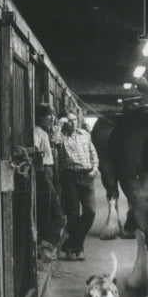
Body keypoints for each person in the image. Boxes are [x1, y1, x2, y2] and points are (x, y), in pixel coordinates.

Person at [57, 109, 99, 261]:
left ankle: (70, 243)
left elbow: (94, 154)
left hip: (87, 176)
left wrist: (94, 171)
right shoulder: (61, 136)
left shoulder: (85, 135)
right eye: (69, 120)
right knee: (73, 214)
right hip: (70, 177)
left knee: (90, 212)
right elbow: (54, 140)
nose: (72, 122)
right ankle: (77, 250)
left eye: (74, 120)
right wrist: (59, 125)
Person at [34, 105, 65, 261]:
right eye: (49, 115)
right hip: (43, 171)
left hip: (50, 171)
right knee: (55, 214)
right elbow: (35, 151)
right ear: (40, 118)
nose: (52, 117)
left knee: (53, 211)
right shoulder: (37, 132)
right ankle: (45, 248)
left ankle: (45, 247)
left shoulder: (45, 133)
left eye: (53, 114)